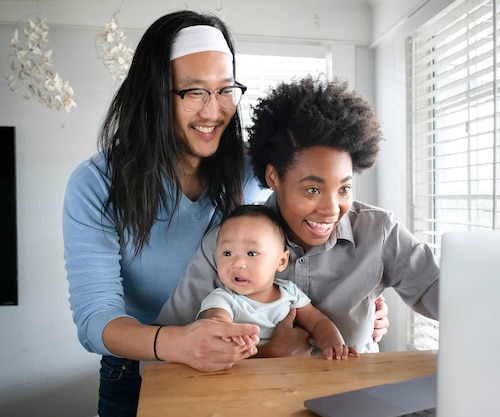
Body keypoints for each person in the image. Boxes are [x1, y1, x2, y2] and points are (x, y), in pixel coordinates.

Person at [62, 11, 270, 417]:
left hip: (245, 365)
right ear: (156, 95)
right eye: (194, 92)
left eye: (225, 90)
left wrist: (351, 293)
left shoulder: (253, 172)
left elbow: (305, 237)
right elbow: (95, 318)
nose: (214, 112)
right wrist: (178, 343)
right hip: (136, 375)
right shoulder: (95, 185)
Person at [157, 76, 439, 356]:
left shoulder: (379, 233)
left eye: (344, 188)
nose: (331, 209)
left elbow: (447, 298)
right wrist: (266, 358)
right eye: (313, 189)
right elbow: (169, 352)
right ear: (273, 177)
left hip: (352, 395)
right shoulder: (228, 243)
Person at [199, 204, 359, 360]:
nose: (238, 263)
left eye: (252, 253)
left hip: (291, 381)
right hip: (244, 380)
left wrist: (333, 343)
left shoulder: (289, 293)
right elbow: (216, 323)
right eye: (227, 253)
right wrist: (223, 331)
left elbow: (318, 322)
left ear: (281, 262)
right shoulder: (223, 299)